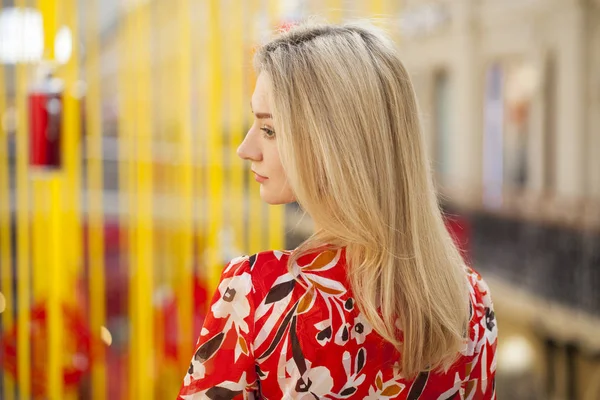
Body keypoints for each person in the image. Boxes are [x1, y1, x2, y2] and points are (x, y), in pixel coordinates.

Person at [178, 21, 497, 400]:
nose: (245, 148)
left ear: (331, 143)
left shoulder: (258, 294)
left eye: (269, 130)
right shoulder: (472, 302)